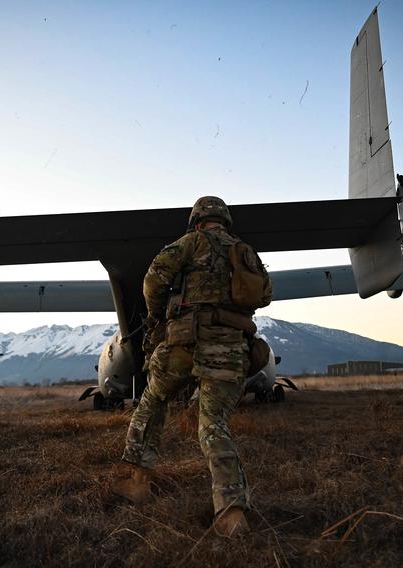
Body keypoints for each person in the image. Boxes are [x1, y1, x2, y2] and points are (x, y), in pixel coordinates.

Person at [112, 196, 271, 538]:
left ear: (197, 220)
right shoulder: (246, 253)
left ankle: (136, 483)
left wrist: (158, 314)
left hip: (184, 344)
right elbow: (265, 295)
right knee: (214, 426)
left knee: (152, 402)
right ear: (225, 221)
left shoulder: (189, 243)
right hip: (230, 351)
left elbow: (153, 281)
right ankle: (232, 512)